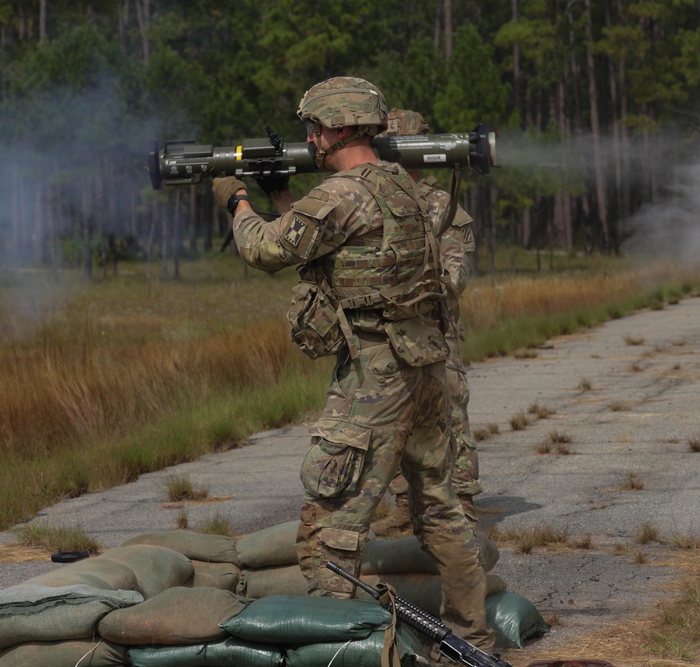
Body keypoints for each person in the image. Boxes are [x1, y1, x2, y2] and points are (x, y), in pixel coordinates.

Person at [211, 76, 494, 650]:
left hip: (375, 378)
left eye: (315, 128)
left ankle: (336, 650)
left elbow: (266, 250)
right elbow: (329, 247)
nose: (311, 140)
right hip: (426, 371)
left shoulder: (344, 195)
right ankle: (473, 640)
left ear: (338, 128)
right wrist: (285, 198)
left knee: (330, 524)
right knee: (441, 512)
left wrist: (237, 200)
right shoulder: (413, 192)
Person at [372, 108, 481, 536]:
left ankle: (464, 502)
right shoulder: (376, 202)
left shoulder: (444, 205)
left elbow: (455, 277)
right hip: (391, 334)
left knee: (451, 414)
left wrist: (409, 289)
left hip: (436, 331)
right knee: (395, 418)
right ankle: (405, 502)